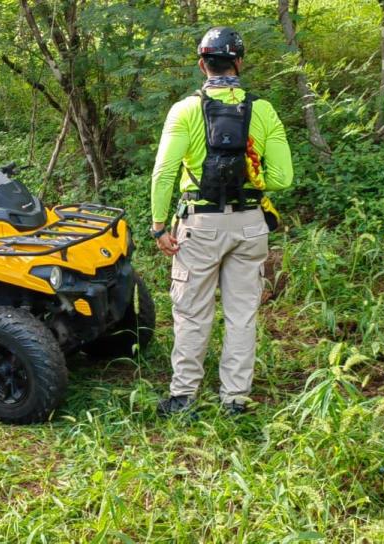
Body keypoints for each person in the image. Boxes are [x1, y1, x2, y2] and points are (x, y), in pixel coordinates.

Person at [150, 27, 293, 418]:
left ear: (202, 64)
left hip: (201, 225)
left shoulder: (184, 110)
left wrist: (159, 226)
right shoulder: (262, 110)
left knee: (193, 312)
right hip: (250, 225)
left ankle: (183, 397)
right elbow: (283, 178)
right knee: (242, 315)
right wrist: (254, 175)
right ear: (240, 63)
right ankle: (235, 399)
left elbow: (163, 173)